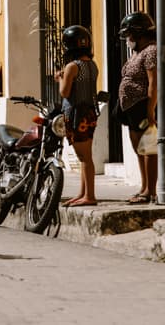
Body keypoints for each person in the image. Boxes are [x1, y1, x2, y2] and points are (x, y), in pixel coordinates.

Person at [115, 11, 157, 204]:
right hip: (131, 108)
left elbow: (153, 83)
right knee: (138, 148)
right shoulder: (137, 53)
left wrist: (150, 109)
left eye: (130, 35)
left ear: (139, 34)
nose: (128, 39)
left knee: (147, 148)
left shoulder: (151, 51)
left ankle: (150, 191)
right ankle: (143, 187)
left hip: (141, 105)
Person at [56, 24, 99, 207]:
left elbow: (65, 93)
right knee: (84, 157)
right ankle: (83, 193)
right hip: (89, 112)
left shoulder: (72, 67)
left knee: (85, 157)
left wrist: (60, 78)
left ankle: (89, 196)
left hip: (75, 114)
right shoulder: (91, 65)